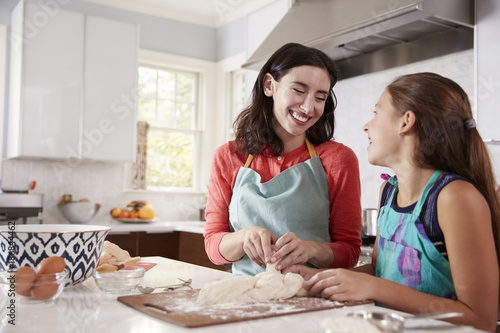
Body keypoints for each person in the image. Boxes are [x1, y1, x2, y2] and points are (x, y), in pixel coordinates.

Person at [284, 72, 500, 332]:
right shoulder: (389, 191)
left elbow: (480, 320)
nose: (367, 126)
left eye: (376, 113)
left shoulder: (454, 197)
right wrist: (322, 279)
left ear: (406, 122)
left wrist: (376, 288)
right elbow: (379, 270)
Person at [203, 43, 362, 276]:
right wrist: (243, 237)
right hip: (246, 295)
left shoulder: (338, 159)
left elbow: (349, 253)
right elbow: (213, 249)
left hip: (313, 297)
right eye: (299, 90)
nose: (308, 107)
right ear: (269, 85)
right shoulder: (228, 156)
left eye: (320, 97)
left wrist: (311, 250)